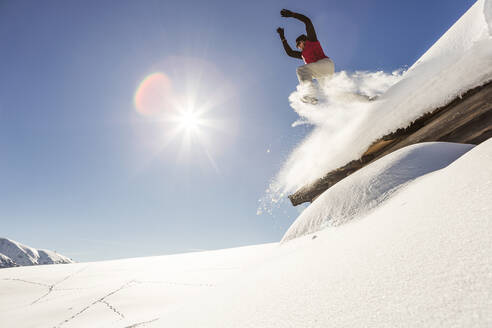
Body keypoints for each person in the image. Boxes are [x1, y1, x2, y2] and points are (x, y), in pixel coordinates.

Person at [276, 9, 334, 104]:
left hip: (325, 64)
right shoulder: (303, 55)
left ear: (303, 40)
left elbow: (307, 21)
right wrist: (282, 38)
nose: (298, 47)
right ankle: (363, 99)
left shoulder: (312, 40)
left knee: (301, 70)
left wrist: (292, 14)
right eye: (297, 47)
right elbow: (290, 53)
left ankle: (310, 94)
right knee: (332, 94)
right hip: (322, 74)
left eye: (298, 44)